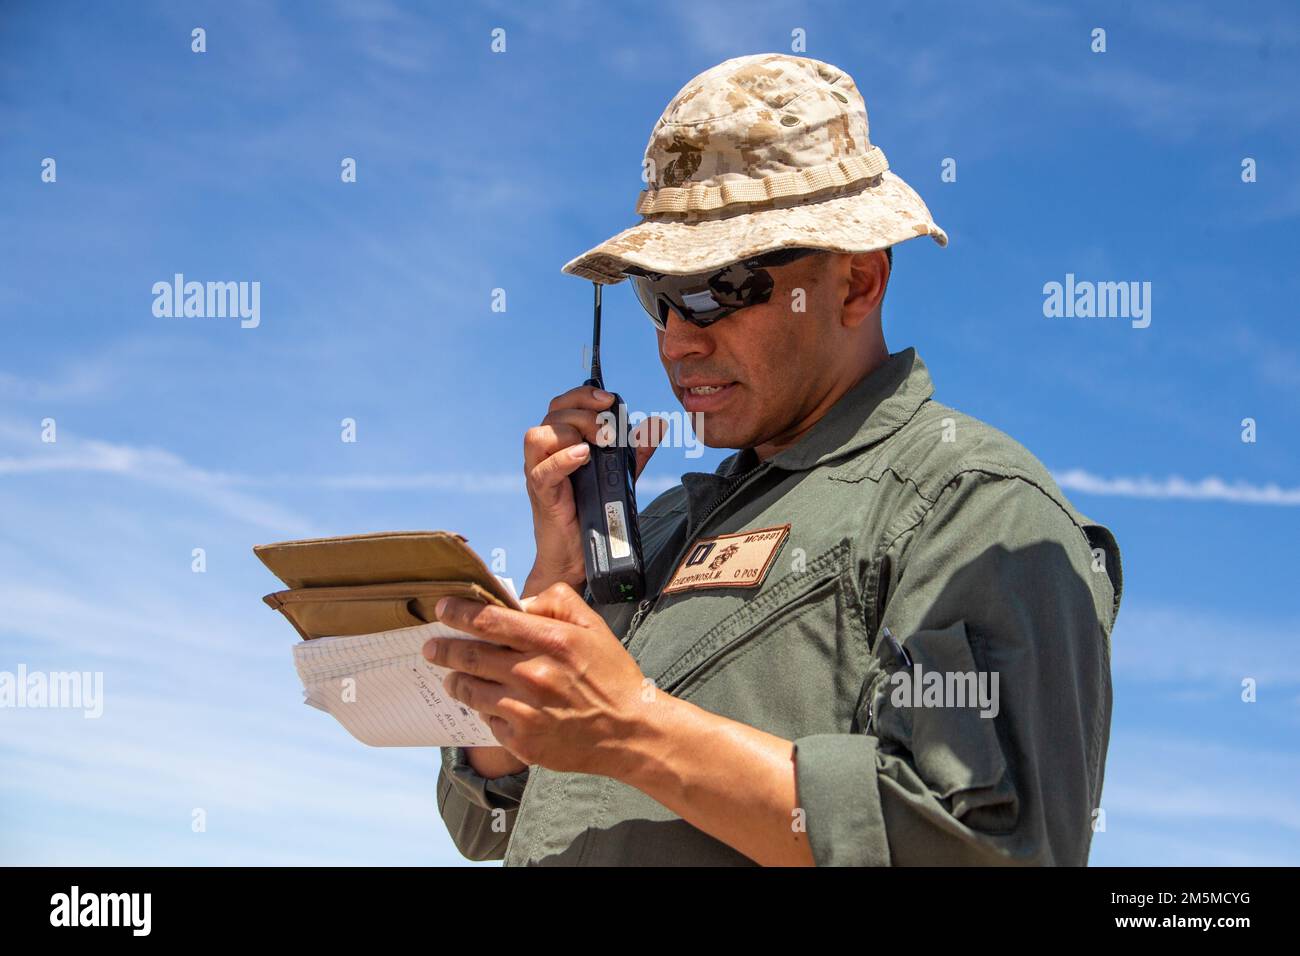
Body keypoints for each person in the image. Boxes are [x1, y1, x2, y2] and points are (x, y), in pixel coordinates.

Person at [427, 52, 1122, 866]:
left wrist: (632, 728)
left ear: (856, 284)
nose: (678, 342)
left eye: (717, 289)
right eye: (657, 298)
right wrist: (562, 579)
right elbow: (489, 823)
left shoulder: (975, 510)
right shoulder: (652, 531)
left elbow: (990, 849)